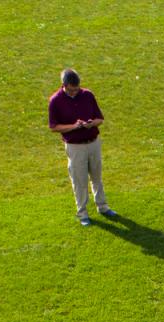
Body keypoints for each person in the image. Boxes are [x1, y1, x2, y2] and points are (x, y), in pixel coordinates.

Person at [48, 69, 117, 226]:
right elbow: (53, 127)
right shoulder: (55, 101)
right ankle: (83, 213)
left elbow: (100, 119)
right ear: (63, 85)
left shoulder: (87, 95)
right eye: (71, 90)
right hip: (75, 147)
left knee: (97, 177)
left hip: (93, 142)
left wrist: (91, 124)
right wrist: (73, 127)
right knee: (79, 181)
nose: (75, 92)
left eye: (77, 89)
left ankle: (103, 206)